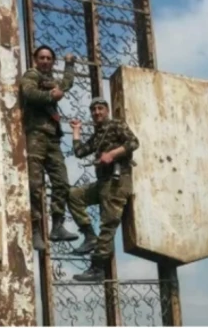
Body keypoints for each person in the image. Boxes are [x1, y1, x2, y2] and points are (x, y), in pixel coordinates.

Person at [68, 97, 140, 281]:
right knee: (74, 195)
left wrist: (112, 154)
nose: (97, 112)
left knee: (108, 225)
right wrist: (76, 131)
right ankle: (89, 236)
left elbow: (133, 142)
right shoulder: (98, 134)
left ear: (106, 110)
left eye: (100, 108)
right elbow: (80, 152)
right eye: (93, 110)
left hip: (117, 181)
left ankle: (97, 267)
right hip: (102, 182)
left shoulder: (116, 125)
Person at [21, 45, 78, 251]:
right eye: (42, 58)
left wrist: (70, 64)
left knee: (61, 182)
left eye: (49, 58)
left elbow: (66, 84)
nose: (45, 61)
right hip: (36, 135)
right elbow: (29, 94)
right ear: (36, 59)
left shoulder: (51, 80)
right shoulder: (31, 74)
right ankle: (36, 229)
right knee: (35, 185)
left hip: (52, 137)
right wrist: (50, 97)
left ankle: (57, 225)